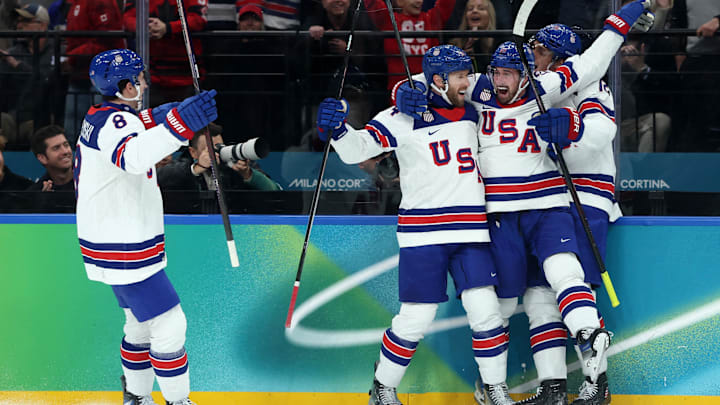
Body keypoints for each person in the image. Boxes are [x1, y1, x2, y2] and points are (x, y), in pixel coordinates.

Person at [393, 2, 654, 402]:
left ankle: (593, 376)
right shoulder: (493, 85)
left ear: (559, 57)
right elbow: (439, 81)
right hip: (512, 209)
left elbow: (598, 121)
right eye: (530, 48)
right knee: (534, 297)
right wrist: (406, 90)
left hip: (577, 197)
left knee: (568, 277)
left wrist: (573, 128)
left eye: (541, 50)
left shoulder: (566, 83)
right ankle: (549, 387)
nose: (534, 55)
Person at [318, 45, 514, 405]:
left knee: (486, 310)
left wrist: (411, 84)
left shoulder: (474, 110)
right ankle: (383, 387)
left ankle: (493, 389)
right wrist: (338, 130)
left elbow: (504, 92)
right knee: (416, 316)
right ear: (439, 79)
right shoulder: (401, 116)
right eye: (459, 77)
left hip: (471, 229)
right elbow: (357, 150)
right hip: (423, 232)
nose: (466, 82)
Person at [75, 48, 217, 405]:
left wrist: (172, 112)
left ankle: (137, 397)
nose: (144, 82)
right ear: (124, 86)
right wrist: (180, 125)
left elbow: (139, 124)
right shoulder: (115, 124)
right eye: (138, 78)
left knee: (139, 326)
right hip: (124, 243)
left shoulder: (105, 114)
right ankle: (177, 401)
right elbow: (134, 157)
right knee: (170, 326)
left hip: (111, 240)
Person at [123, 0, 208, 107]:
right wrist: (145, 26)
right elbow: (127, 19)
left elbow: (199, 20)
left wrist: (168, 28)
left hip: (185, 74)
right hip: (152, 74)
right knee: (151, 118)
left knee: (188, 119)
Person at [63, 0, 125, 143]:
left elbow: (107, 39)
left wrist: (72, 57)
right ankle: (71, 164)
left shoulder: (102, 2)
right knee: (73, 130)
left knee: (100, 128)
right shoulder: (75, 4)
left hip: (102, 75)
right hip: (79, 74)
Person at [363, 0, 457, 91]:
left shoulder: (431, 19)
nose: (419, 1)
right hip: (399, 88)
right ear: (399, 1)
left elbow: (446, 3)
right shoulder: (389, 20)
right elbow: (372, 2)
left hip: (430, 88)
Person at [0, 4, 59, 146]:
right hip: (15, 114)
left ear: (43, 25)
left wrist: (17, 65)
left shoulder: (56, 49)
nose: (19, 25)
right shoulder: (14, 51)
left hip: (43, 116)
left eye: (26, 22)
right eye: (19, 21)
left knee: (41, 130)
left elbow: (45, 79)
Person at [449, 0, 498, 71]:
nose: (474, 11)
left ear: (489, 15)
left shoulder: (499, 42)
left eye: (481, 8)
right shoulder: (454, 43)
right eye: (470, 9)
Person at [27, 124, 74, 193]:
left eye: (66, 145)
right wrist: (43, 202)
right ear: (42, 158)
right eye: (56, 148)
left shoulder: (90, 179)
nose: (65, 151)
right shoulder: (36, 193)